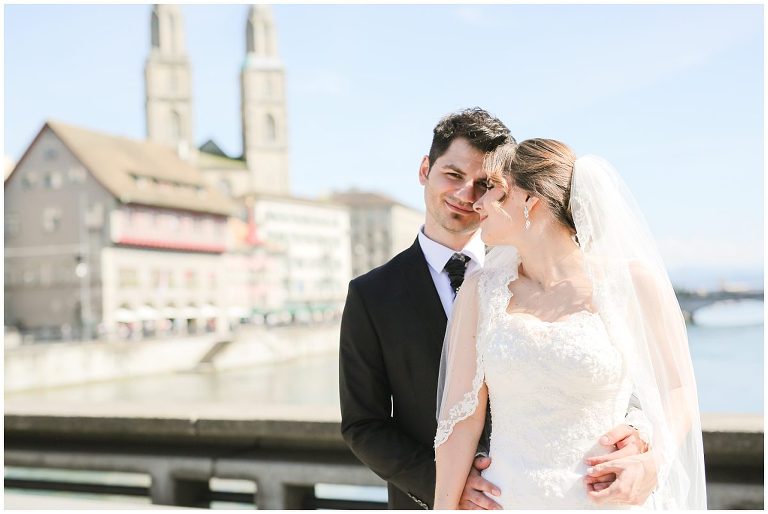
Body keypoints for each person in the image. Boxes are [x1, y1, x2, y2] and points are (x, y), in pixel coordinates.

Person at [339, 109, 652, 510]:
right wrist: (447, 487)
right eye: (453, 175)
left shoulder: (561, 272)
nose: (469, 196)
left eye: (486, 185)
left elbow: (634, 383)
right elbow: (363, 424)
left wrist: (641, 439)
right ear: (425, 170)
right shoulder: (371, 294)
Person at [434, 139, 706, 509]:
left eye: (493, 189)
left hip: (605, 501)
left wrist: (654, 461)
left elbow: (678, 387)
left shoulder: (632, 283)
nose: (477, 203)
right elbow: (460, 419)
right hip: (508, 500)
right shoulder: (480, 291)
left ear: (529, 200)